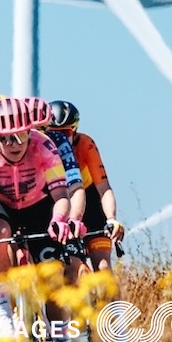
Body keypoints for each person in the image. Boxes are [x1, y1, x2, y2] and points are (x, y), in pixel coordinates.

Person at [0, 98, 76, 285]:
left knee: (52, 282)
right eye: (4, 138)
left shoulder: (44, 146)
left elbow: (61, 194)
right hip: (1, 203)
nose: (14, 144)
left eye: (20, 136)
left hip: (37, 203)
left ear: (30, 132)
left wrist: (59, 219)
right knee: (0, 233)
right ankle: (2, 299)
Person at [45, 100, 122, 270]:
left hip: (89, 201)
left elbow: (104, 188)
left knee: (102, 267)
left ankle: (112, 298)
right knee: (69, 266)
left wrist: (111, 218)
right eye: (52, 133)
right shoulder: (40, 149)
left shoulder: (85, 144)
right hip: (59, 202)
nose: (60, 139)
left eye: (65, 133)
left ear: (75, 131)